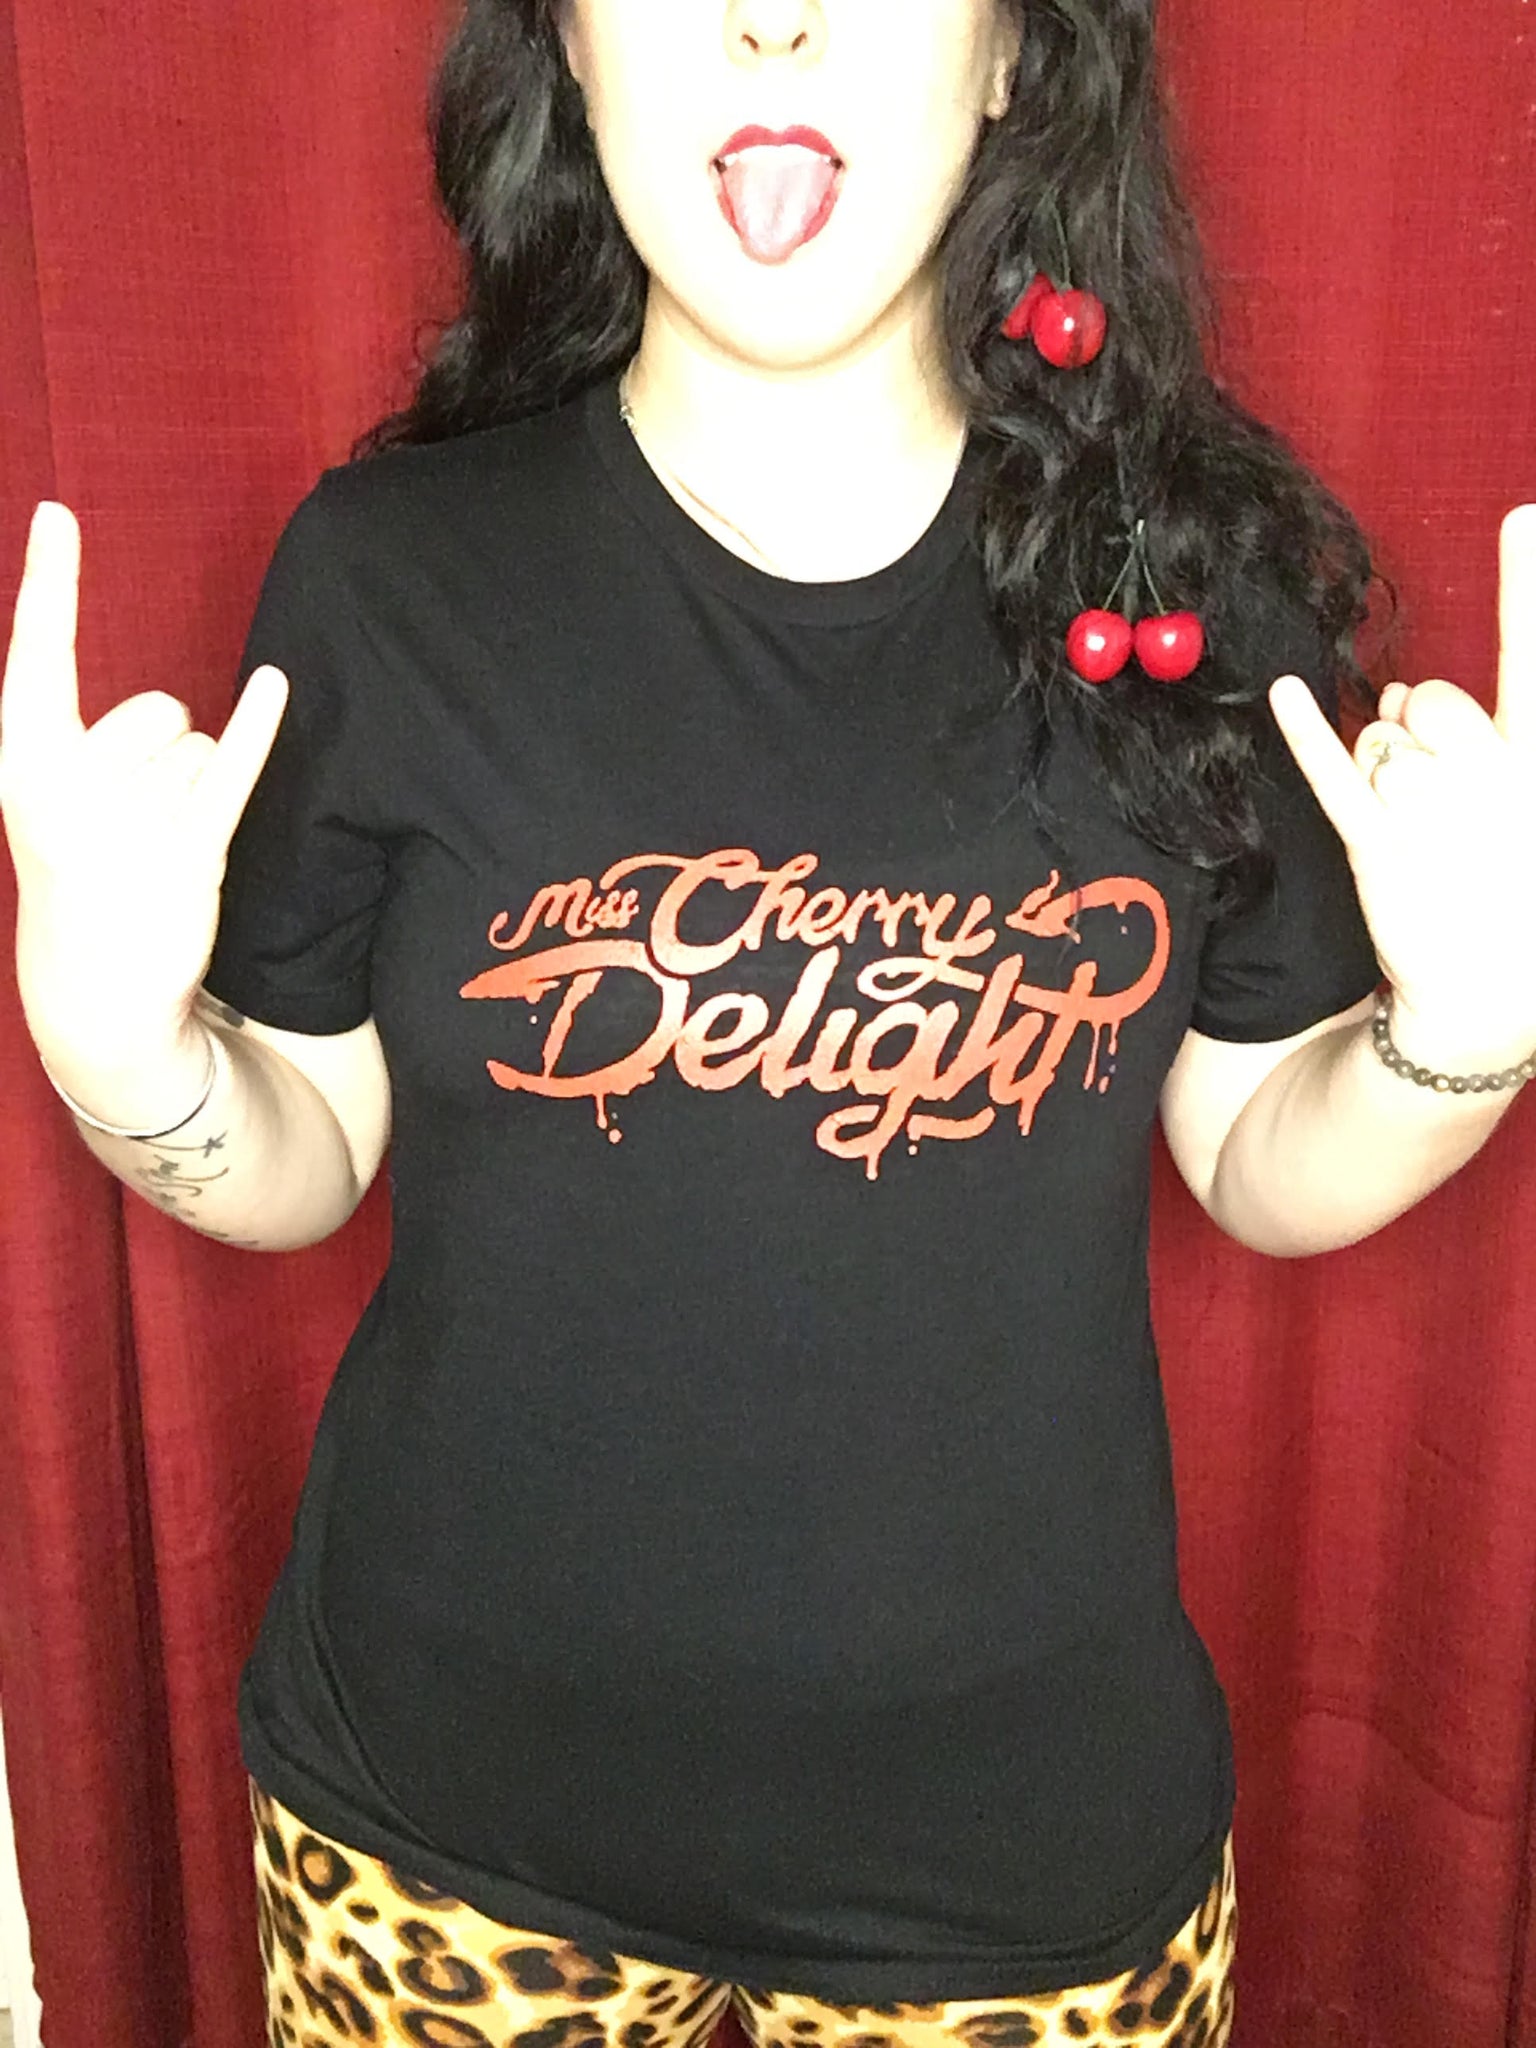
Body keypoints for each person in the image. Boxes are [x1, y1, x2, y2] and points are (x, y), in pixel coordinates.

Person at [6, 3, 1534, 2045]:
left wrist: (1472, 1028)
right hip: (439, 1830)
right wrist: (124, 1052)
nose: (773, 23)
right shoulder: (390, 579)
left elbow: (1259, 1151)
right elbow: (308, 1148)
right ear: (572, 52)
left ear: (1011, 56)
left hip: (1024, 1863)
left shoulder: (1182, 594)